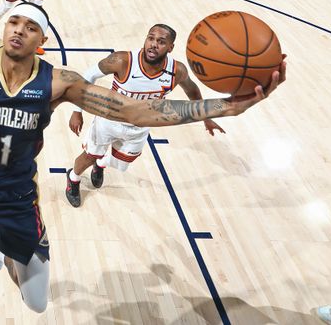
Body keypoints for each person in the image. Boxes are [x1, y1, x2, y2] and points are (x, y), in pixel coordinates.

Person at [0, 3, 284, 313]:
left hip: (16, 193)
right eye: (14, 22)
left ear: (42, 41)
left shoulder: (59, 82)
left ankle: (1, 249)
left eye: (30, 26)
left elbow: (136, 113)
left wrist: (227, 107)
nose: (19, 30)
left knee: (35, 301)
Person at [64, 24, 225, 207]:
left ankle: (101, 164)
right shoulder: (122, 60)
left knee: (121, 165)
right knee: (89, 156)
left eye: (161, 42)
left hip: (139, 127)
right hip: (108, 121)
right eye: (151, 38)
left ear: (170, 48)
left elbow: (192, 91)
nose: (153, 44)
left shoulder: (177, 71)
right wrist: (77, 111)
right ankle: (73, 178)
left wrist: (207, 118)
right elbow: (87, 77)